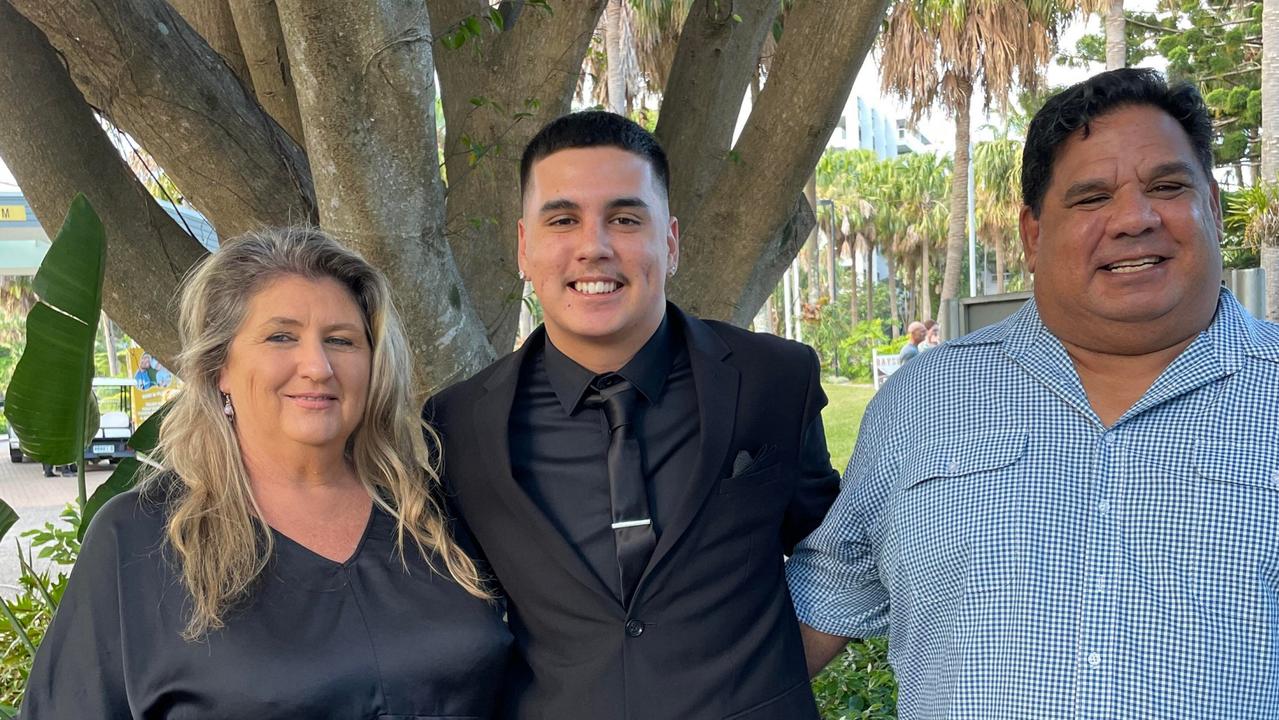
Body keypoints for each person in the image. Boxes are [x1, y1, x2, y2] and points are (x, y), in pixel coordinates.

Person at [787, 67, 1279, 719]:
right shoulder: (922, 402)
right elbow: (814, 611)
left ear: (1211, 209)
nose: (1134, 218)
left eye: (1166, 186)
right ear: (1032, 234)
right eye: (1090, 198)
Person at [427, 111, 840, 719]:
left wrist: (770, 677)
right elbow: (457, 625)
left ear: (669, 242)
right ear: (524, 246)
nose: (593, 247)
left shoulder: (774, 381)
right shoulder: (458, 425)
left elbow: (837, 553)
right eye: (563, 220)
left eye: (624, 219)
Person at [21, 228, 511, 718]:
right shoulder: (138, 539)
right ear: (220, 368)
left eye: (341, 340)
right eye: (281, 337)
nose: (317, 367)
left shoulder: (434, 511)